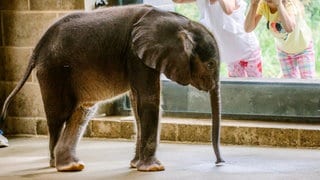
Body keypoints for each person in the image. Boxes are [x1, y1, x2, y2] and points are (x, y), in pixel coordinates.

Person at [173, 0, 263, 77]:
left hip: (248, 52)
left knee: (257, 88)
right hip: (230, 58)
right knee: (236, 90)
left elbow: (228, 9)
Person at [245, 0, 315, 79]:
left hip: (303, 49)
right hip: (284, 51)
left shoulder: (289, 5)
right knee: (290, 84)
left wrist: (279, 5)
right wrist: (253, 5)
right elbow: (248, 28)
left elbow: (289, 28)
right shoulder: (263, 5)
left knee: (308, 82)